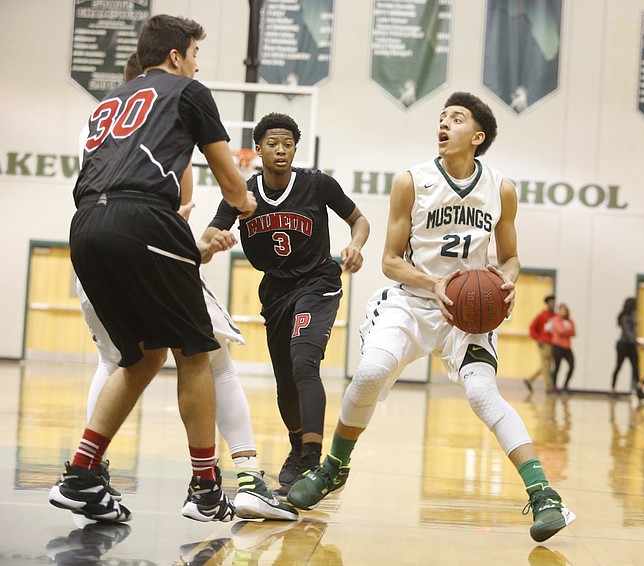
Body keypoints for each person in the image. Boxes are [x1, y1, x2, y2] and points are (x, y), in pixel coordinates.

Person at [286, 91, 576, 543]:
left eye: (455, 118)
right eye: (441, 118)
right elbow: (389, 261)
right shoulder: (412, 181)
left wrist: (506, 281)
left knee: (483, 395)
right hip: (413, 301)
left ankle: (543, 494)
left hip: (468, 316)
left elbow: (512, 257)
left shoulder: (501, 188)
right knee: (370, 373)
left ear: (477, 137)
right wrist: (435, 284)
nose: (443, 124)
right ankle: (334, 467)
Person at [50, 14, 258, 524]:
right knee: (198, 352)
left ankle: (81, 473)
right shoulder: (189, 92)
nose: (196, 65)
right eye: (194, 55)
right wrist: (244, 204)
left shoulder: (110, 100)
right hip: (143, 218)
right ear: (175, 56)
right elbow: (233, 185)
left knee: (139, 357)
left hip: (85, 227)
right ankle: (207, 489)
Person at [201, 112, 370, 496]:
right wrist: (213, 241)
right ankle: (297, 445)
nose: (281, 150)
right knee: (284, 379)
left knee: (303, 361)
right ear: (257, 149)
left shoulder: (318, 185)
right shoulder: (242, 193)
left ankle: (313, 458)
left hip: (317, 281)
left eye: (288, 144)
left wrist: (355, 246)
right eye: (272, 144)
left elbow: (359, 220)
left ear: (296, 148)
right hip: (275, 290)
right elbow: (212, 232)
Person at [524, 295, 556, 393]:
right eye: (550, 302)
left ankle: (530, 380)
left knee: (546, 366)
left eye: (553, 302)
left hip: (553, 344)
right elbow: (532, 328)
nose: (552, 304)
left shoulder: (556, 316)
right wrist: (538, 339)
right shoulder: (542, 315)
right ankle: (548, 387)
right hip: (544, 343)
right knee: (546, 365)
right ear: (547, 303)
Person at [611, 297, 639, 397]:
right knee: (618, 366)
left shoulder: (633, 315)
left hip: (631, 345)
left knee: (635, 367)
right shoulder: (624, 316)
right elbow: (627, 332)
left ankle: (639, 389)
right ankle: (613, 389)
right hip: (623, 344)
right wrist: (636, 342)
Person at [548, 303, 576, 393]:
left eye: (565, 310)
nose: (563, 312)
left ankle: (565, 385)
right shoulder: (556, 320)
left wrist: (566, 331)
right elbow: (560, 331)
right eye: (561, 310)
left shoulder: (570, 321)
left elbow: (574, 333)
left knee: (572, 365)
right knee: (557, 367)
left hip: (567, 346)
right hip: (557, 346)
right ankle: (554, 386)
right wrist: (568, 331)